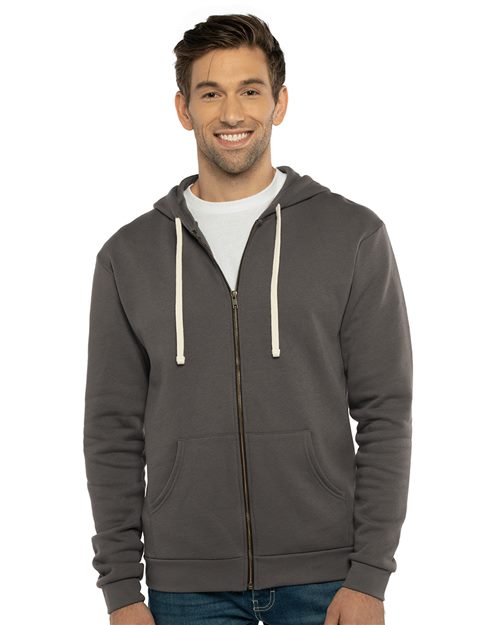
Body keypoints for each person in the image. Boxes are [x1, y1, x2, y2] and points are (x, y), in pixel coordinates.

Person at [83, 13, 412, 625]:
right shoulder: (128, 256)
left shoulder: (352, 235)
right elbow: (111, 432)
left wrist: (370, 575)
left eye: (250, 90)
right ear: (183, 110)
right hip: (186, 589)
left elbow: (386, 412)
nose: (232, 113)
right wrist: (122, 591)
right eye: (210, 93)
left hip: (327, 580)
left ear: (279, 103)